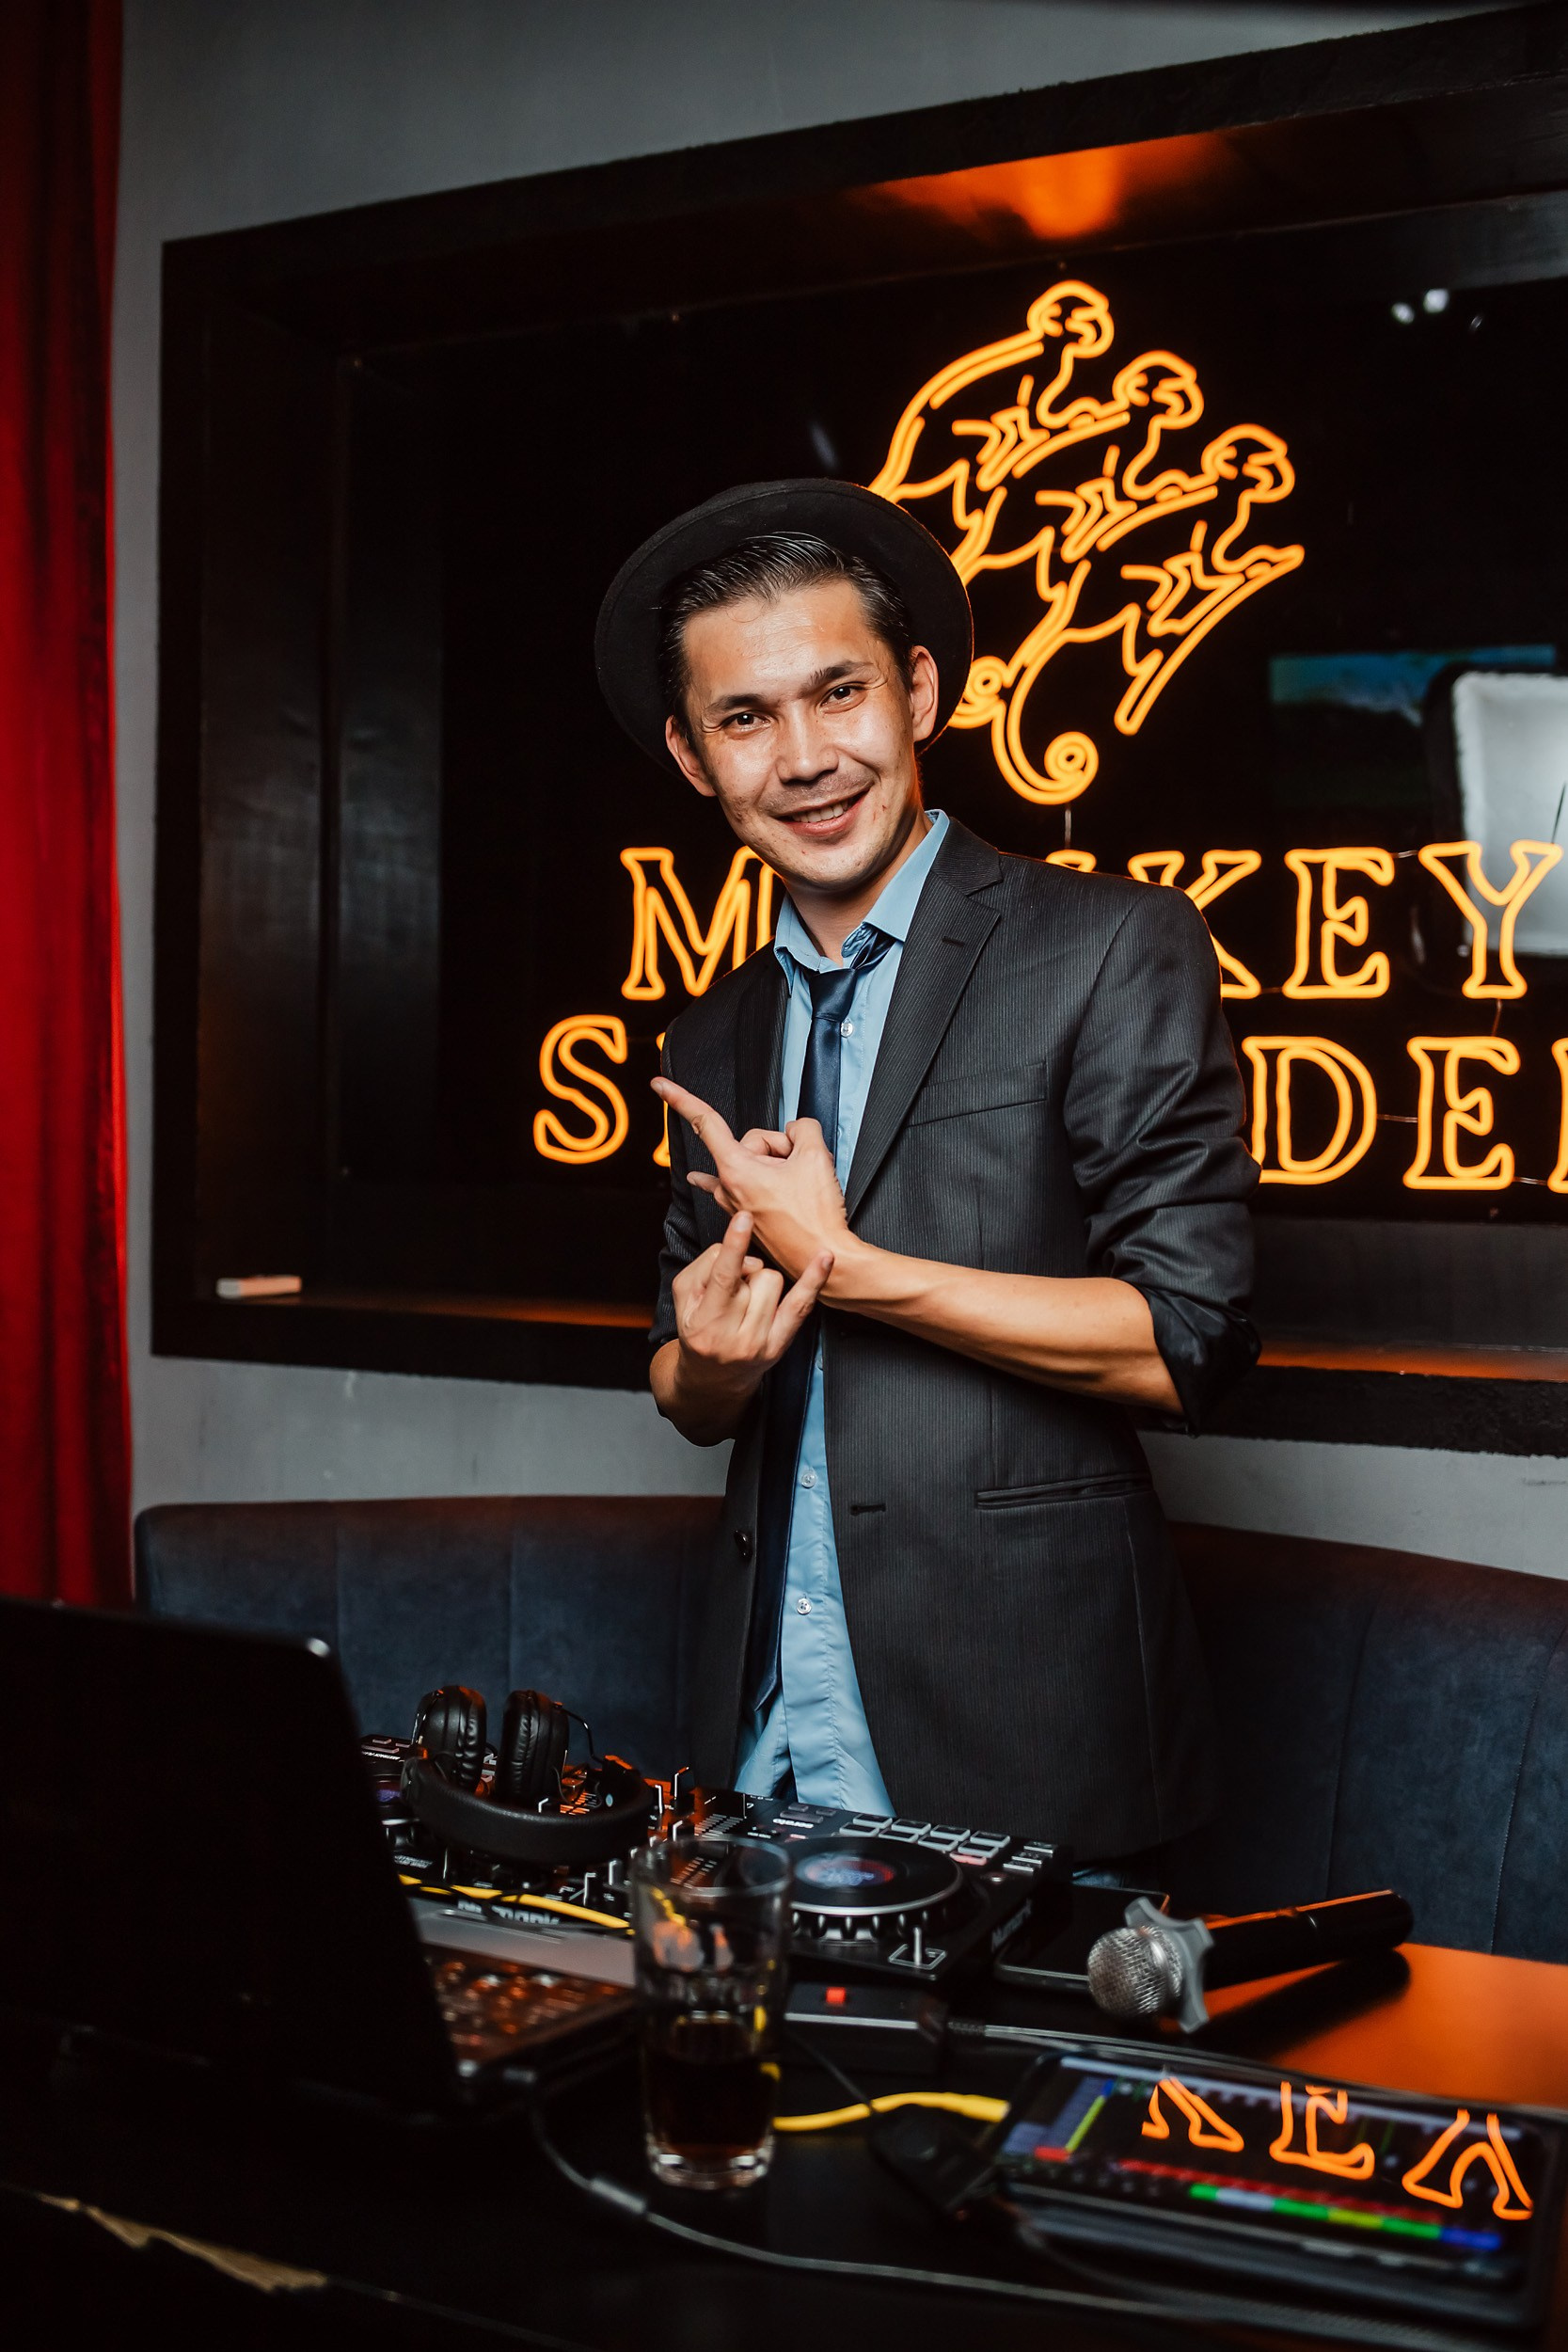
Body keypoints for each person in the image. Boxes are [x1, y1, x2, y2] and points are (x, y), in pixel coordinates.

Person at [594, 479, 1258, 1859]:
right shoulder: (711, 1032)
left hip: (1034, 1739)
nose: (804, 759)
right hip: (766, 1736)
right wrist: (710, 1363)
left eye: (839, 694)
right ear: (692, 757)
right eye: (744, 719)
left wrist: (843, 1271)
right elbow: (685, 1384)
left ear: (919, 692)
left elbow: (1187, 1338)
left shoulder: (1110, 944)